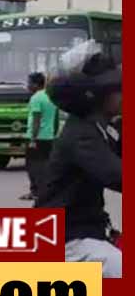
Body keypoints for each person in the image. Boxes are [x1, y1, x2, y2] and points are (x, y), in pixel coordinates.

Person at [36, 43, 121, 277]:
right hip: (66, 240)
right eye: (118, 89)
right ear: (98, 95)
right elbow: (116, 175)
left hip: (90, 230)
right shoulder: (82, 134)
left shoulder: (105, 128)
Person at [22, 71, 60, 202]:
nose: (28, 86)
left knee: (33, 165)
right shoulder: (50, 96)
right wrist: (54, 133)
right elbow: (55, 117)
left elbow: (36, 119)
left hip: (37, 137)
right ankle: (46, 190)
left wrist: (33, 139)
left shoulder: (36, 98)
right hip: (49, 137)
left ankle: (36, 191)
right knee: (46, 164)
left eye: (29, 83)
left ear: (36, 84)